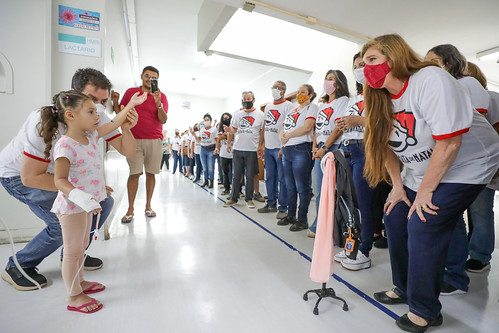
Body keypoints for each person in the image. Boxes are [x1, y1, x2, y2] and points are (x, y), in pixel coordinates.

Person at [361, 34, 499, 332]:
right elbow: (385, 146)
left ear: (394, 56)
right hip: (422, 170)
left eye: (371, 59)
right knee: (395, 215)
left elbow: (449, 143)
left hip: (468, 165)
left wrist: (425, 192)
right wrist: (398, 186)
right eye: (361, 64)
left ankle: (425, 310)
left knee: (424, 221)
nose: (365, 68)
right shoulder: (378, 99)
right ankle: (404, 287)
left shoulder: (429, 79)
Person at [0, 68, 138, 291]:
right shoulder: (44, 123)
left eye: (103, 101)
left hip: (59, 177)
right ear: (73, 95)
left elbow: (125, 148)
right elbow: (30, 177)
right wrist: (80, 190)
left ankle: (73, 255)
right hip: (18, 176)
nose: (100, 108)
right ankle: (18, 265)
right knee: (60, 223)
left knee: (104, 204)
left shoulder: (95, 116)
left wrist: (126, 127)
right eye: (93, 99)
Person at [46, 90, 143, 313]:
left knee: (81, 247)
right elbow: (60, 180)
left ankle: (80, 282)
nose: (97, 116)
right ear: (70, 115)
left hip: (88, 206)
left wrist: (131, 105)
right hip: (72, 207)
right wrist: (80, 195)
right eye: (90, 111)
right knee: (71, 252)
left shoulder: (91, 136)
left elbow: (116, 122)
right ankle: (73, 296)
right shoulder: (65, 144)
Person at [424, 45, 491, 294]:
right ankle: (453, 272)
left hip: (472, 163)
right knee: (453, 220)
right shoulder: (436, 87)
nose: (427, 65)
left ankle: (466, 267)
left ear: (449, 63)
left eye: (434, 61)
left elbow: (465, 127)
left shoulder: (468, 83)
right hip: (452, 163)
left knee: (473, 214)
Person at [116, 66, 168, 222]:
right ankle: (130, 209)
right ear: (141, 76)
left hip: (154, 140)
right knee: (134, 174)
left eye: (154, 78)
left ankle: (148, 206)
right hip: (133, 139)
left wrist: (158, 104)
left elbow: (163, 120)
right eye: (147, 75)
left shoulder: (162, 96)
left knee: (151, 173)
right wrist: (114, 101)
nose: (150, 79)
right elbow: (121, 111)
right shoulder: (132, 92)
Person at [462, 62, 499, 273]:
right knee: (470, 211)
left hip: (486, 162)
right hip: (466, 164)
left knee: (481, 210)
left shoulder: (493, 97)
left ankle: (480, 256)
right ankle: (471, 248)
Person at [309, 71, 349, 238]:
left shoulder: (343, 101)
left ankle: (333, 228)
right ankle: (320, 224)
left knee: (334, 191)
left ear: (338, 83)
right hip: (320, 149)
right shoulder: (322, 105)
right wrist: (315, 147)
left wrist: (324, 148)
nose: (327, 82)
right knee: (320, 191)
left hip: (333, 148)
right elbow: (317, 129)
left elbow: (339, 127)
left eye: (331, 79)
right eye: (326, 78)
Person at [278, 84, 317, 231]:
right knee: (290, 186)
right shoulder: (293, 110)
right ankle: (291, 214)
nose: (300, 94)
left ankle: (302, 219)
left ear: (310, 95)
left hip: (301, 149)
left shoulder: (312, 108)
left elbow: (307, 127)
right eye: (298, 92)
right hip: (287, 150)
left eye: (303, 92)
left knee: (302, 187)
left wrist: (288, 136)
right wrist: (282, 136)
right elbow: (284, 127)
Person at [257, 81, 293, 219]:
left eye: (278, 88)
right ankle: (271, 204)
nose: (275, 90)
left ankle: (283, 208)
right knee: (269, 177)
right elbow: (265, 127)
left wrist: (284, 147)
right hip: (268, 148)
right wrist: (261, 145)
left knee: (282, 179)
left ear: (283, 91)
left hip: (280, 148)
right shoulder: (268, 107)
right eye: (274, 87)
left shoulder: (288, 106)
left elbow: (290, 127)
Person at [223, 91, 265, 209]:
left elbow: (262, 132)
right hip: (238, 149)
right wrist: (228, 129)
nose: (246, 101)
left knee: (250, 175)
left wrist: (260, 146)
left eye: (248, 99)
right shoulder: (238, 114)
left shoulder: (260, 114)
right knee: (236, 175)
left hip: (252, 149)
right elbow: (234, 129)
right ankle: (233, 198)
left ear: (253, 100)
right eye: (244, 99)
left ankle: (249, 199)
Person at [198, 114, 218, 188]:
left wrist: (216, 149)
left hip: (211, 149)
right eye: (205, 120)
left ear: (210, 120)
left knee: (210, 167)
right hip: (203, 149)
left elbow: (217, 140)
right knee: (204, 167)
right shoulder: (202, 130)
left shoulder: (214, 129)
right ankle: (205, 181)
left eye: (208, 120)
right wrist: (194, 134)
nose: (206, 121)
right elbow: (199, 139)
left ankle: (211, 181)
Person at [217, 113, 233, 195]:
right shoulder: (220, 127)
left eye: (227, 117)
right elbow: (220, 137)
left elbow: (232, 135)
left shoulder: (233, 126)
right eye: (223, 118)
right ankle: (226, 189)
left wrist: (227, 135)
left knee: (235, 173)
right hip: (223, 153)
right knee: (225, 172)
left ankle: (237, 190)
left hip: (233, 153)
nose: (225, 119)